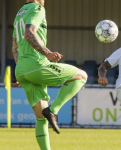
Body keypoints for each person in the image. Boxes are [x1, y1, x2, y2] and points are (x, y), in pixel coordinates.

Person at [11, 0, 87, 149]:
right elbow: (29, 33)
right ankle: (53, 110)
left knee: (40, 119)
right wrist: (48, 53)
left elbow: (15, 45)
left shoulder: (20, 12)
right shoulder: (37, 8)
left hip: (21, 69)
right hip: (36, 64)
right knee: (82, 76)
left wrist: (22, 70)